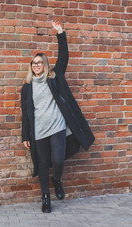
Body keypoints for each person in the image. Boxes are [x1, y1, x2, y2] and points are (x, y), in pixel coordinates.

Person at [20, 20, 95, 213]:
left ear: (45, 64)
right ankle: (46, 197)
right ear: (31, 66)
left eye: (39, 62)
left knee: (58, 160)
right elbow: (26, 114)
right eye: (33, 63)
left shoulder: (54, 77)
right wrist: (25, 136)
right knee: (43, 164)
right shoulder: (27, 88)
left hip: (58, 127)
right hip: (39, 131)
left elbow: (63, 58)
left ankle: (57, 179)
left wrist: (60, 32)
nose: (36, 65)